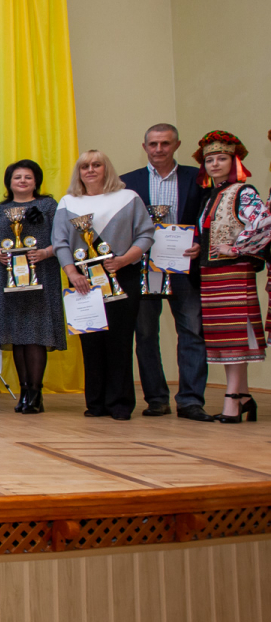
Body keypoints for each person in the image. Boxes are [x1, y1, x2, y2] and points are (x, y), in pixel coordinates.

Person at [53, 150, 155, 421]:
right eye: (85, 166)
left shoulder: (128, 198)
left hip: (123, 276)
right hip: (83, 280)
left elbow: (146, 234)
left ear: (106, 168)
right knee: (91, 340)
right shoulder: (67, 202)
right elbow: (61, 242)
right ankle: (95, 403)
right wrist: (72, 273)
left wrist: (124, 260)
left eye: (96, 165)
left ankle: (120, 403)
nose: (90, 170)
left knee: (120, 340)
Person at [118, 124, 210, 420]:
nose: (159, 149)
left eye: (165, 144)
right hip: (143, 267)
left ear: (177, 145)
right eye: (154, 144)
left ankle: (191, 400)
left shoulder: (198, 178)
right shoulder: (127, 183)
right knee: (145, 334)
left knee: (192, 331)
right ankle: (156, 398)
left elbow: (208, 219)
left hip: (185, 266)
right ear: (144, 147)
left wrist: (200, 244)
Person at [192, 131, 270, 423]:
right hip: (211, 272)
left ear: (234, 161)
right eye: (210, 160)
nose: (214, 164)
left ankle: (233, 398)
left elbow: (264, 221)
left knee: (236, 334)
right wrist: (199, 247)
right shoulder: (213, 195)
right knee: (223, 336)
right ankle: (244, 395)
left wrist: (238, 248)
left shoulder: (244, 191)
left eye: (222, 158)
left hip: (233, 271)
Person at [0, 160, 64, 414]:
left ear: (36, 181)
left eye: (28, 177)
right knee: (16, 336)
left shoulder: (49, 206)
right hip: (7, 280)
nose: (23, 181)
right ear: (9, 182)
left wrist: (46, 253)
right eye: (18, 177)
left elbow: (61, 240)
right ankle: (24, 392)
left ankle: (36, 394)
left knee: (36, 334)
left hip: (41, 277)